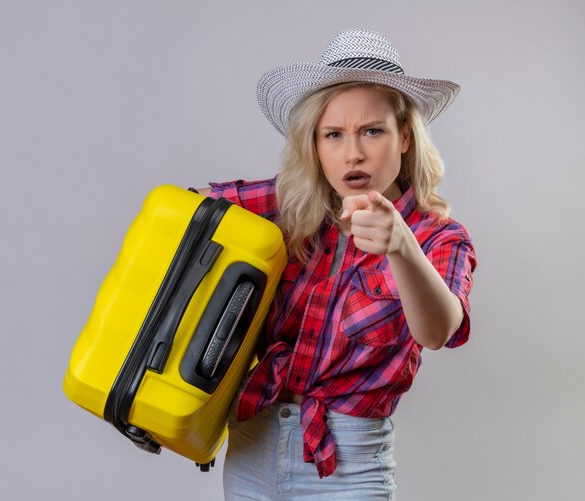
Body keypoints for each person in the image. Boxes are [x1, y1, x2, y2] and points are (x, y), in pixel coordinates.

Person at [198, 29, 476, 500]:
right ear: (316, 145)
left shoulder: (438, 238)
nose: (354, 152)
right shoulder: (289, 210)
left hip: (347, 464)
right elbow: (190, 212)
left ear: (404, 136)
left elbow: (439, 329)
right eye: (334, 134)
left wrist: (400, 246)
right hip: (251, 443)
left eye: (373, 130)